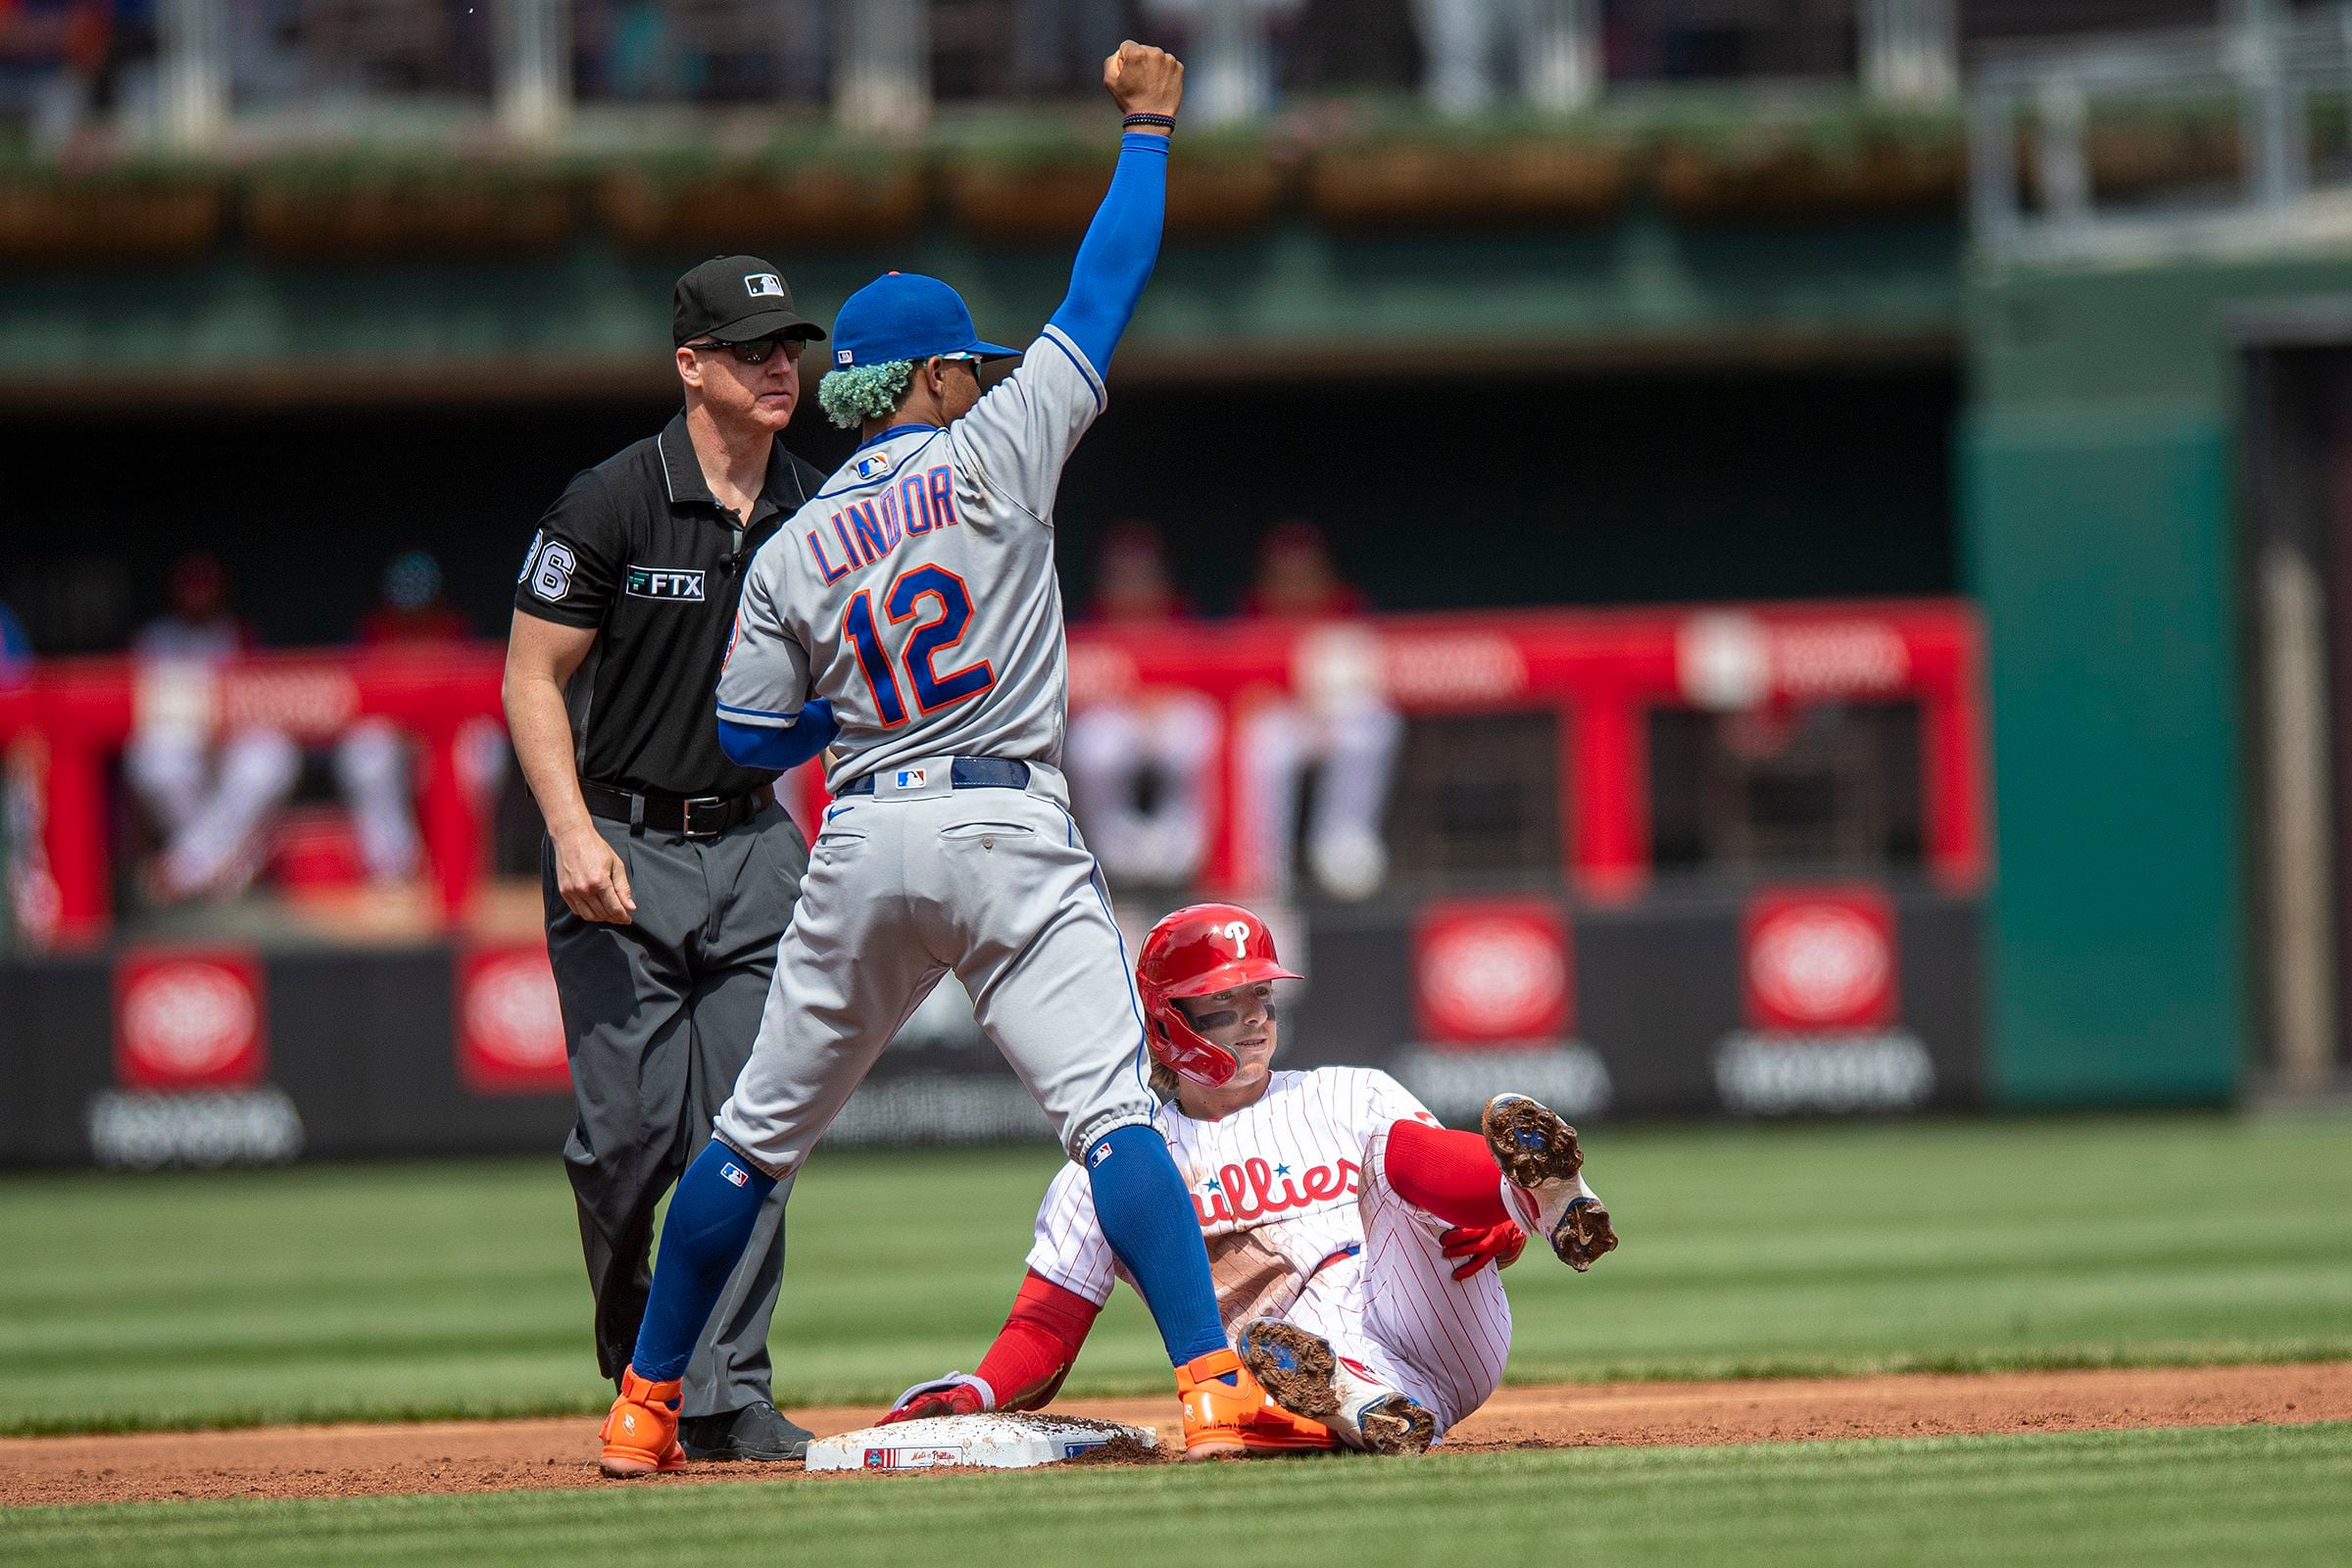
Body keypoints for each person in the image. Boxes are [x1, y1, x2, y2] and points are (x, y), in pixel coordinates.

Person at [595, 40, 1310, 1476]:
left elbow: (741, 734)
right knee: (1115, 1121)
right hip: (1003, 823)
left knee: (748, 1143)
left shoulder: (791, 544)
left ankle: (643, 1406)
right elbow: (1103, 289)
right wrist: (1151, 131)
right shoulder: (995, 452)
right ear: (929, 377)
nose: (984, 380)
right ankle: (1216, 1385)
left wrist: (851, 720)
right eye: (966, 367)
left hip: (863, 831)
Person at [878, 903, 1619, 1452]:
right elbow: (1045, 1328)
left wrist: (1490, 1216)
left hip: (1425, 1315)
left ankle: (1542, 1197)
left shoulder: (1346, 1092)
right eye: (1225, 1004)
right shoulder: (1113, 1164)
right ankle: (1364, 1411)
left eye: (1261, 996)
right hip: (1304, 1368)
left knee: (1386, 1147)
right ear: (1170, 1023)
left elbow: (1434, 1203)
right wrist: (975, 1390)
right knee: (1274, 1367)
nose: (1256, 1018)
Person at [503, 255, 834, 1465]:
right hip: (621, 844)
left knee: (752, 1136)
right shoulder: (609, 502)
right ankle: (644, 1329)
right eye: (752, 348)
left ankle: (726, 1391)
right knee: (627, 1139)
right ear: (690, 365)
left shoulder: (817, 504)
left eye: (788, 345)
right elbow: (531, 679)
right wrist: (572, 831)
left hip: (755, 848)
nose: (779, 365)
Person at [1236, 520, 1401, 900]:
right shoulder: (1254, 610)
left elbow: (1372, 676)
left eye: (1304, 571)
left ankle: (1342, 849)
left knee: (1371, 726)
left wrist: (1324, 708)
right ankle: (1262, 869)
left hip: (1333, 714)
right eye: (1285, 573)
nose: (1295, 582)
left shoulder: (1345, 606)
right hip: (1283, 719)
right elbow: (1244, 689)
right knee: (1264, 746)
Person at [122, 554, 300, 903]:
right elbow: (130, 708)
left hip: (229, 745)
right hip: (178, 743)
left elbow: (262, 698)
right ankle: (223, 870)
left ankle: (185, 869)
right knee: (155, 763)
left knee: (274, 758)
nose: (198, 598)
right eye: (191, 589)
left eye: (205, 589)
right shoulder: (153, 638)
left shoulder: (239, 634)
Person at [1065, 520, 1220, 887]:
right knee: (1095, 743)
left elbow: (1214, 682)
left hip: (1167, 719)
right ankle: (1115, 858)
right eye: (1123, 575)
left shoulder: (1181, 617)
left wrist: (1156, 703)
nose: (1133, 584)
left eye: (1142, 574)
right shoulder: (1089, 621)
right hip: (1115, 720)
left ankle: (1182, 854)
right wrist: (1132, 703)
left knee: (1193, 731)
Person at [337, 551, 501, 885]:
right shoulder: (376, 630)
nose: (413, 614)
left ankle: (469, 868)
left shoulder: (454, 628)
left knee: (486, 747)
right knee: (366, 752)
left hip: (449, 730)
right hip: (396, 733)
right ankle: (393, 869)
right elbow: (352, 696)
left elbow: (482, 694)